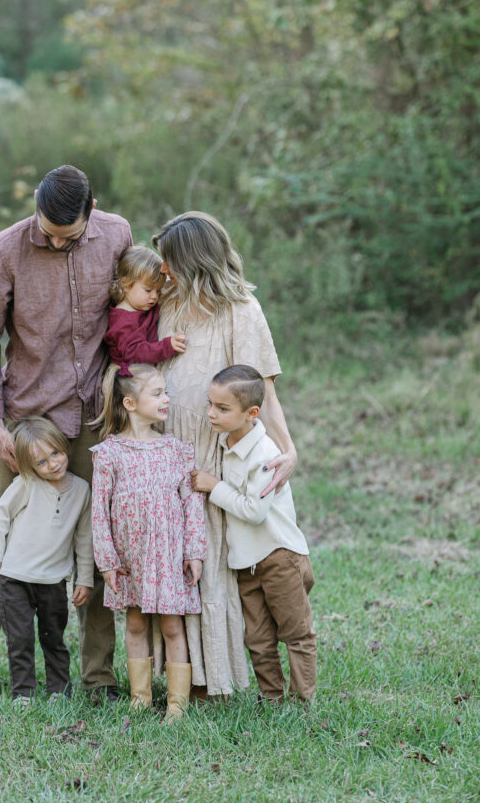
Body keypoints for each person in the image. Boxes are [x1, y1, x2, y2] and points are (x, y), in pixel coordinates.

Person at [0, 165, 131, 698]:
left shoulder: (117, 235)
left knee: (97, 547)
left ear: (91, 212)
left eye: (65, 235)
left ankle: (98, 678)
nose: (52, 239)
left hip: (95, 419)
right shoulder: (5, 249)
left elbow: (130, 316)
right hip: (24, 425)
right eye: (46, 228)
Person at [152, 211, 298, 697]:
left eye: (171, 260)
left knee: (210, 564)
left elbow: (265, 391)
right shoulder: (166, 303)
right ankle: (174, 675)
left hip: (213, 457)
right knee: (170, 562)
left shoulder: (241, 309)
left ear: (193, 261)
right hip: (164, 452)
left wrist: (288, 449)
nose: (163, 268)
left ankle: (213, 678)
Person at [191, 366, 315, 702]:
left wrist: (214, 487)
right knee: (258, 638)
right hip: (246, 563)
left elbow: (255, 511)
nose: (211, 414)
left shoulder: (265, 455)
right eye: (210, 404)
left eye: (222, 408)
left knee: (295, 632)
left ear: (252, 414)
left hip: (279, 555)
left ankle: (302, 701)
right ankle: (272, 699)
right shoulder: (222, 442)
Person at [91, 363, 206, 720]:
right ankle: (140, 697)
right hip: (131, 558)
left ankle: (177, 704)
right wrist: (107, 561)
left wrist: (194, 551)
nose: (166, 399)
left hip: (168, 556)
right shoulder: (110, 453)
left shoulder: (175, 450)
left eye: (165, 392)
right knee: (136, 623)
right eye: (157, 393)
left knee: (173, 625)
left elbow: (192, 503)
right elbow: (99, 511)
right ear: (129, 403)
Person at [0, 417, 94, 704]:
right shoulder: (27, 484)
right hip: (15, 577)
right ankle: (23, 692)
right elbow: (1, 515)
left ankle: (59, 689)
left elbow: (84, 537)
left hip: (53, 581)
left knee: (53, 638)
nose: (53, 464)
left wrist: (84, 578)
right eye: (41, 462)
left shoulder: (81, 490)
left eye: (55, 453)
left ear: (64, 446)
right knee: (19, 639)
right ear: (30, 467)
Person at [104, 245, 187, 374]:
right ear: (125, 285)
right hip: (132, 379)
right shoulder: (123, 321)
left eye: (158, 290)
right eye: (148, 290)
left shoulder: (142, 305)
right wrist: (167, 346)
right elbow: (135, 353)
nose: (154, 296)